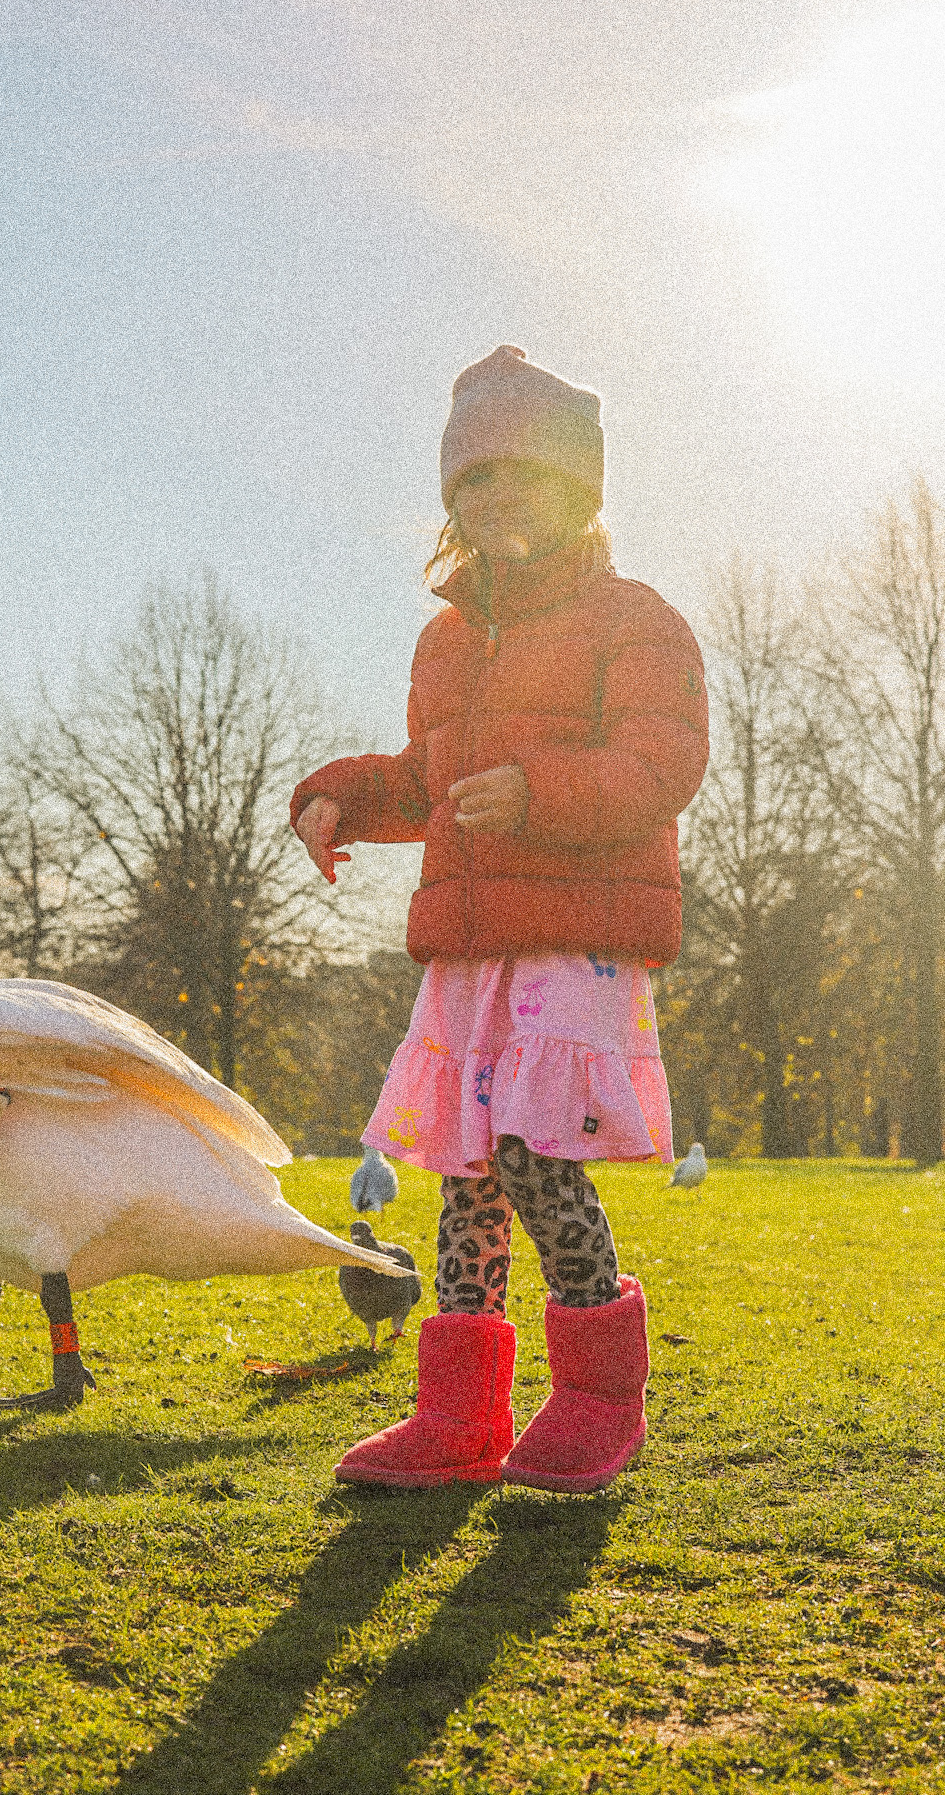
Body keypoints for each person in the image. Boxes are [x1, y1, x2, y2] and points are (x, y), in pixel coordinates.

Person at [290, 345, 708, 1493]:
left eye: (523, 472)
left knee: (530, 1151)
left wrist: (537, 788)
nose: (495, 494)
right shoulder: (446, 639)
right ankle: (458, 1412)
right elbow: (429, 774)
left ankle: (594, 1396)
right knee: (464, 1167)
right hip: (472, 940)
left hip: (578, 931)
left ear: (580, 489)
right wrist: (337, 796)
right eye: (473, 479)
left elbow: (661, 760)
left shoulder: (633, 617)